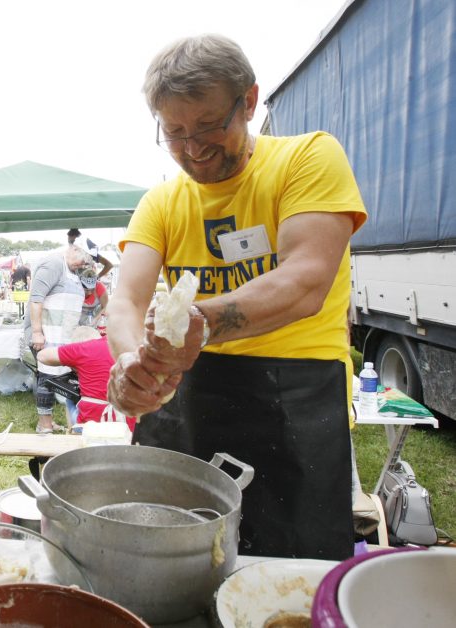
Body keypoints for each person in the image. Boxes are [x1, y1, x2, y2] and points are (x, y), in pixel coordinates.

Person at [106, 34, 366, 560]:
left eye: (208, 126)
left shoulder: (307, 158)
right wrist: (135, 364)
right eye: (174, 133)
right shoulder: (161, 201)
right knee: (168, 562)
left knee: (291, 572)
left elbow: (305, 280)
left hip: (296, 397)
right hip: (188, 401)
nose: (194, 149)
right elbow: (125, 302)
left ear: (248, 101)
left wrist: (200, 324)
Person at [22, 244, 92, 434]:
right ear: (74, 249)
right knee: (47, 377)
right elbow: (36, 299)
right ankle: (44, 426)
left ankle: (62, 423)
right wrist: (37, 332)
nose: (82, 266)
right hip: (46, 333)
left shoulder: (73, 270)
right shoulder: (53, 264)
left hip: (65, 335)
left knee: (64, 379)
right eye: (82, 261)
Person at [37, 326, 136, 431]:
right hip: (128, 424)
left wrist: (70, 362)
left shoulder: (83, 348)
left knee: (70, 396)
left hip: (90, 424)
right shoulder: (131, 347)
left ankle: (73, 432)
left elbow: (42, 356)